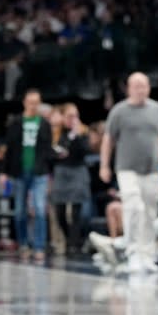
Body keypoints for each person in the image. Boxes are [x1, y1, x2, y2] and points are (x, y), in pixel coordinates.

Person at [99, 72, 158, 273]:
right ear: (129, 88)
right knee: (133, 205)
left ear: (149, 87)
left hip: (151, 170)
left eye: (144, 86)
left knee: (150, 212)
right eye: (137, 86)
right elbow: (108, 140)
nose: (141, 90)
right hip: (126, 169)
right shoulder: (119, 111)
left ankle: (147, 254)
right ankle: (133, 251)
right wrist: (104, 165)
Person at [0, 89, 53, 262]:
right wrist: (4, 172)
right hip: (20, 171)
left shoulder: (44, 123)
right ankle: (23, 243)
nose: (33, 105)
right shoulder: (16, 123)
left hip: (39, 172)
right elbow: (9, 149)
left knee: (39, 209)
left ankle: (39, 246)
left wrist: (50, 169)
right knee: (20, 212)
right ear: (24, 102)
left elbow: (47, 149)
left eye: (37, 102)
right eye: (31, 102)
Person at [51, 103, 91, 256]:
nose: (73, 119)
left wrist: (76, 135)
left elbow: (85, 151)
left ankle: (73, 245)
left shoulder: (83, 131)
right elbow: (52, 153)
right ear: (63, 117)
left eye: (76, 115)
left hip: (78, 171)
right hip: (61, 172)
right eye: (70, 116)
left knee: (76, 211)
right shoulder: (57, 132)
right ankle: (68, 238)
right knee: (60, 211)